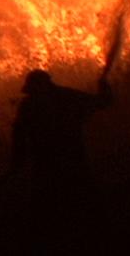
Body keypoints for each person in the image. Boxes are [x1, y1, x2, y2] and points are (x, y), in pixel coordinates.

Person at [9, 70, 113, 216]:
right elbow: (103, 101)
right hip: (62, 164)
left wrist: (17, 159)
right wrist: (104, 87)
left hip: (61, 165)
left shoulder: (31, 105)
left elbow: (19, 136)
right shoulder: (66, 98)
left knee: (71, 208)